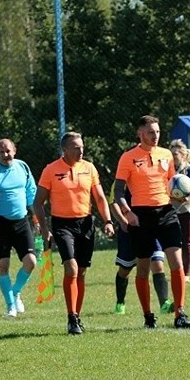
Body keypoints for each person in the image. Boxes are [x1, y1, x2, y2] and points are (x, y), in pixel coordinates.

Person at [113, 115, 190, 329]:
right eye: (151, 132)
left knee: (176, 264)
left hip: (166, 213)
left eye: (158, 132)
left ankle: (180, 314)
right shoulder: (128, 157)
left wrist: (179, 196)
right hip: (140, 216)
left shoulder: (166, 154)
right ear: (140, 134)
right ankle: (149, 316)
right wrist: (128, 212)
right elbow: (119, 191)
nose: (155, 136)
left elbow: (172, 184)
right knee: (142, 268)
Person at [33, 132, 115, 335]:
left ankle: (77, 316)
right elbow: (37, 202)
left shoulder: (89, 168)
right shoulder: (51, 170)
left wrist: (108, 221)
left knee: (82, 272)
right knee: (71, 267)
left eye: (82, 147)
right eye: (76, 147)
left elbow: (100, 198)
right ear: (65, 149)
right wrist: (44, 229)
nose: (81, 151)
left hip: (86, 223)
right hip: (62, 225)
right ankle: (71, 318)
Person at [0, 138, 38, 318]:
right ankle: (10, 305)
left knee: (31, 262)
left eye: (8, 151)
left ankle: (15, 291)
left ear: (15, 150)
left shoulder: (23, 168)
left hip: (21, 222)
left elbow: (31, 194)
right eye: (1, 152)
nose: (5, 155)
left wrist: (36, 219)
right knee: (3, 266)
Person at [110, 188, 173, 315]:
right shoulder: (121, 180)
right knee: (125, 268)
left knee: (157, 264)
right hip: (130, 229)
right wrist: (123, 221)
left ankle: (164, 303)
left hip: (151, 225)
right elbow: (113, 202)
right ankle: (120, 302)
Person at [169, 138, 190, 282]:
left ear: (182, 154)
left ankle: (186, 274)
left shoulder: (189, 169)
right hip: (172, 209)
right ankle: (177, 270)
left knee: (187, 241)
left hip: (189, 207)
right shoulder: (167, 170)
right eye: (171, 154)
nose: (173, 157)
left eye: (175, 154)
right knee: (175, 242)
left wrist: (181, 194)